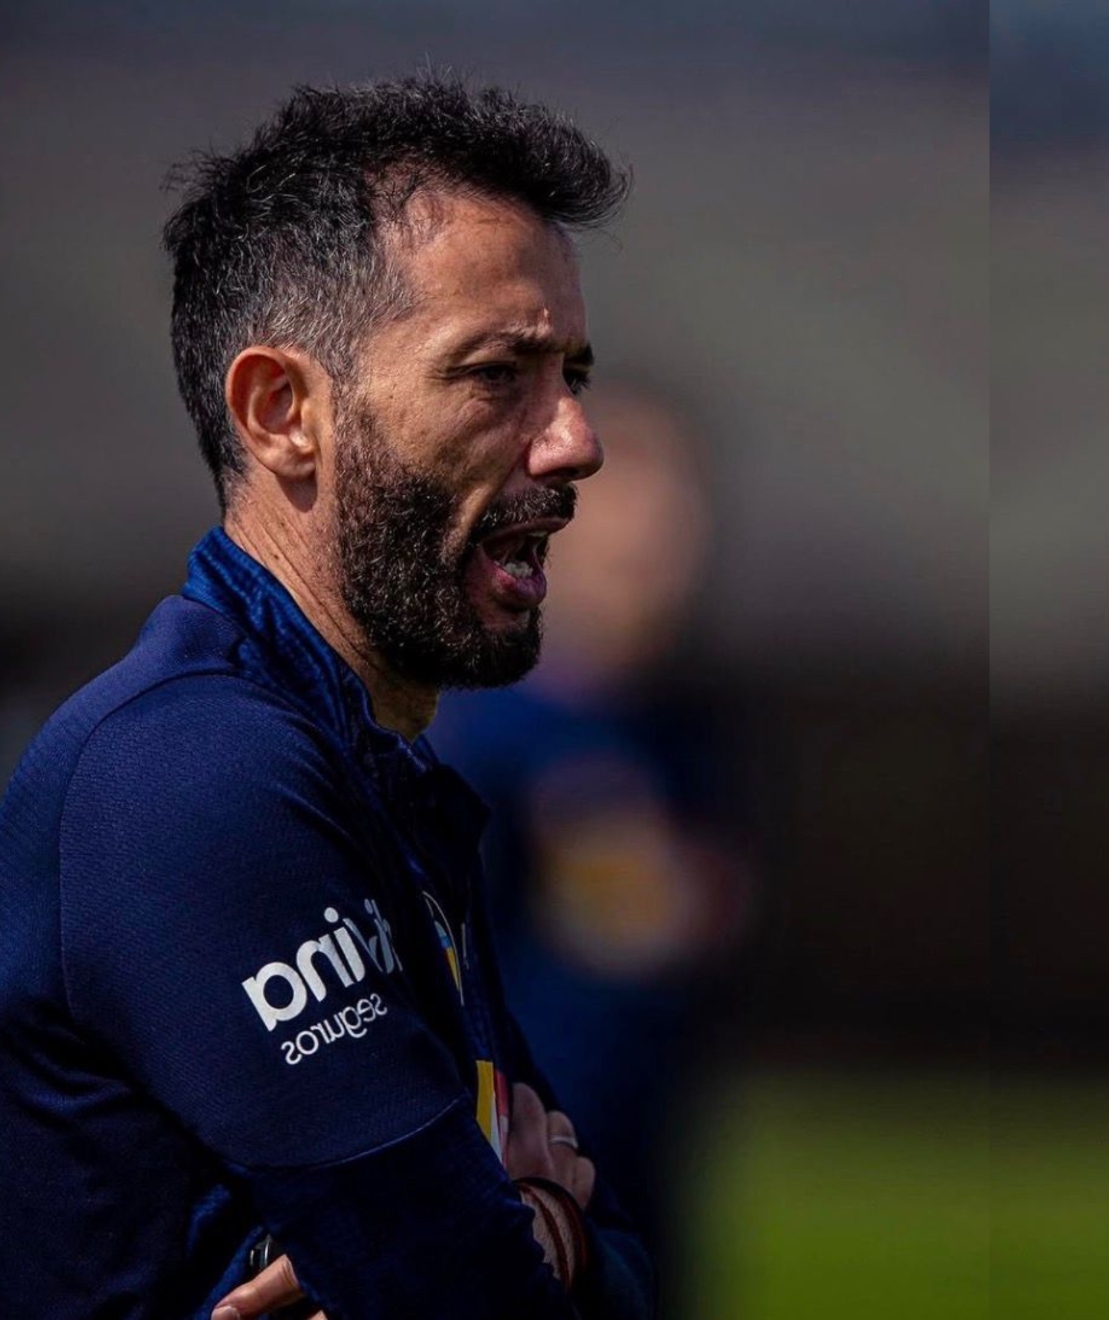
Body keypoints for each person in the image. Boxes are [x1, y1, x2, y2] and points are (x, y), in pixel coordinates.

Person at [0, 78, 654, 1317]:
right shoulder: (188, 775)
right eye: (496, 374)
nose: (576, 441)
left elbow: (608, 1268)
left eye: (570, 371)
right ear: (282, 412)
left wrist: (545, 1234)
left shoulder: (374, 770)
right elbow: (468, 1293)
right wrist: (531, 1233)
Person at [429, 379, 752, 1314]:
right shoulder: (474, 736)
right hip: (508, 1202)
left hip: (649, 1187)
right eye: (622, 504)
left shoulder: (695, 740)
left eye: (677, 507)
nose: (654, 538)